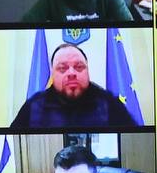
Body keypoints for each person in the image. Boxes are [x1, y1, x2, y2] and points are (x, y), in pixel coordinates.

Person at [9, 43, 140, 129]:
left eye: (79, 67)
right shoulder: (33, 106)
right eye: (62, 68)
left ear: (88, 71)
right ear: (53, 73)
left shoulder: (109, 103)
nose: (71, 73)